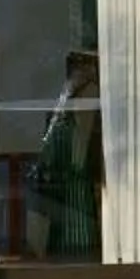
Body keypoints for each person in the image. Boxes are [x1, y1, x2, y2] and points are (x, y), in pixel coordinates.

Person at [31, 48, 104, 257]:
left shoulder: (77, 88)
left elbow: (80, 126)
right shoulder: (80, 89)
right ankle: (73, 245)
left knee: (70, 203)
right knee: (72, 203)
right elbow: (80, 127)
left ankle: (71, 245)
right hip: (70, 158)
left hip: (69, 157)